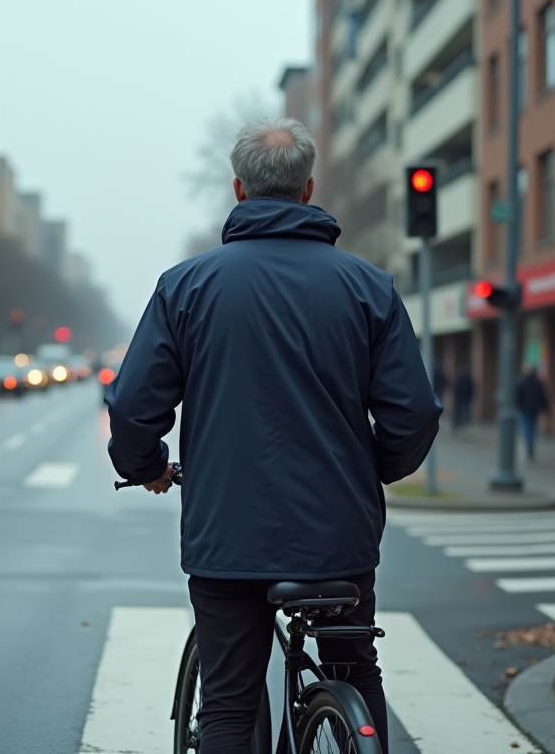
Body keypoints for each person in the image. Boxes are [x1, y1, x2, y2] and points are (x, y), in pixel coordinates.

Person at [105, 118, 441, 754]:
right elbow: (415, 412)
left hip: (227, 535)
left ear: (238, 189)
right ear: (309, 188)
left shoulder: (187, 287)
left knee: (229, 706)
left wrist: (146, 463)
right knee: (354, 673)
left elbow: (132, 405)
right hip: (338, 535)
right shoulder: (369, 288)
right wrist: (371, 469)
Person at [515, 364, 550, 460]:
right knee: (532, 429)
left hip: (524, 409)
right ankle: (530, 447)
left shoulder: (521, 381)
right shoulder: (538, 382)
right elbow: (543, 397)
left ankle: (529, 448)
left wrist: (517, 406)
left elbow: (516, 396)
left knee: (526, 428)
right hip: (534, 409)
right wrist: (545, 408)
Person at [453, 368, 474, 433]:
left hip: (460, 399)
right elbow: (472, 388)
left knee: (459, 412)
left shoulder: (459, 379)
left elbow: (456, 389)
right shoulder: (468, 379)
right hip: (465, 399)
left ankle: (458, 425)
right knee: (465, 412)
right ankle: (463, 425)